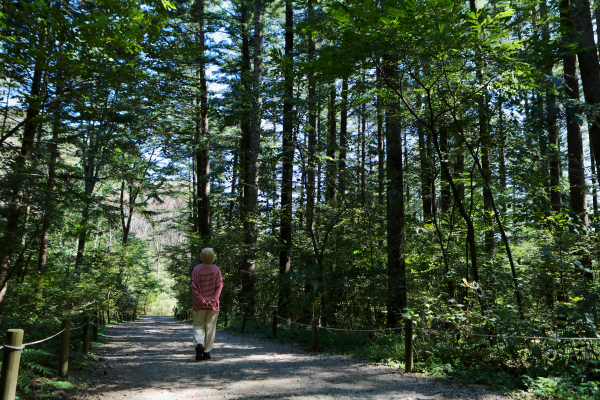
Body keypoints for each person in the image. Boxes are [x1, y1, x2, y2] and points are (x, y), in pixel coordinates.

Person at [191, 247, 223, 361]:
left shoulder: (196, 269)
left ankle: (199, 344)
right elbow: (219, 286)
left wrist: (202, 300)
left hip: (199, 305)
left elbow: (194, 287)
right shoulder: (216, 270)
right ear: (213, 256)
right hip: (213, 306)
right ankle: (207, 352)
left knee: (198, 325)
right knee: (210, 327)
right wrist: (212, 300)